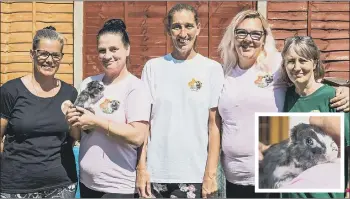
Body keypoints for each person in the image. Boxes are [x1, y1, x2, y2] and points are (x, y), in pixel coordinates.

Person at [217, 10, 349, 198]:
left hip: (273, 178)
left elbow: (307, 78)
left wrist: (345, 90)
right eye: (241, 32)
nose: (248, 39)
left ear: (264, 38)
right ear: (233, 35)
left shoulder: (276, 64)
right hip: (235, 175)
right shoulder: (223, 71)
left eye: (255, 33)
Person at [137, 3, 224, 198]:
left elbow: (214, 125)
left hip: (195, 175)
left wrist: (210, 175)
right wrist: (141, 169)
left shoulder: (212, 69)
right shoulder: (153, 68)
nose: (182, 33)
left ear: (198, 28)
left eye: (188, 26)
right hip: (156, 175)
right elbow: (144, 124)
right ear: (168, 30)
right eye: (176, 26)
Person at [65, 19, 151, 198]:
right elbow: (77, 134)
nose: (107, 55)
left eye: (114, 49)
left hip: (118, 186)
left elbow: (137, 136)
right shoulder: (89, 84)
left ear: (127, 49)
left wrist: (96, 121)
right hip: (88, 183)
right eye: (102, 51)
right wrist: (72, 119)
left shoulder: (135, 87)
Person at [0, 26, 78, 198]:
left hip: (61, 185)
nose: (49, 60)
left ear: (61, 58)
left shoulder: (70, 93)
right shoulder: (10, 91)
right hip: (16, 187)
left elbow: (73, 137)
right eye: (43, 53)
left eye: (55, 55)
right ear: (32, 54)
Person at [281, 36, 349, 198]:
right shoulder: (284, 97)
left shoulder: (334, 97)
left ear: (315, 63)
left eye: (303, 60)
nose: (297, 67)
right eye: (291, 61)